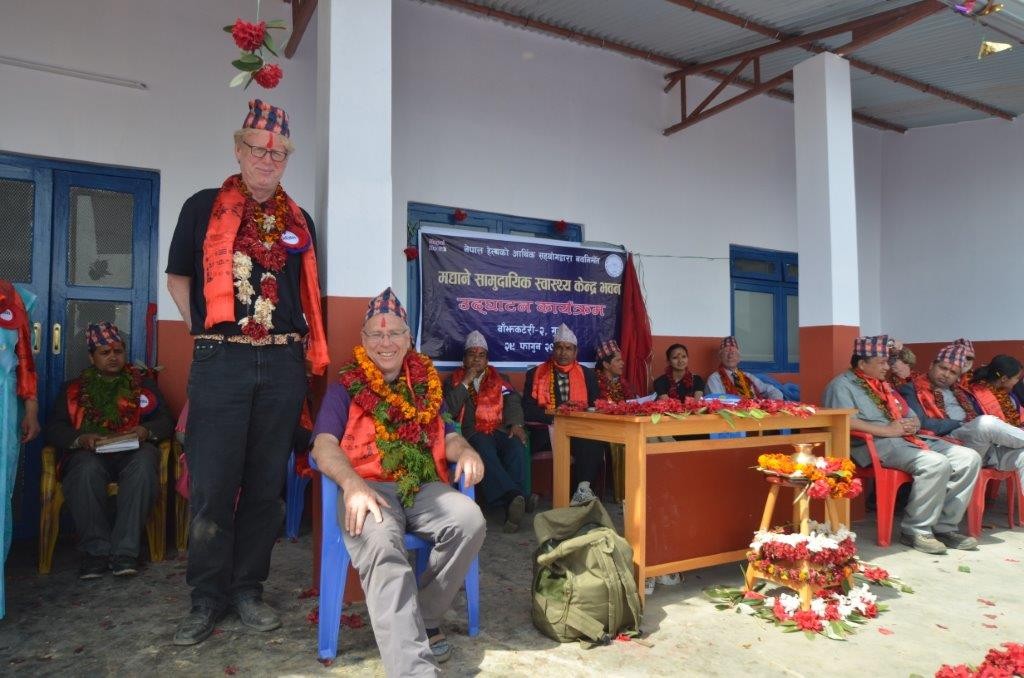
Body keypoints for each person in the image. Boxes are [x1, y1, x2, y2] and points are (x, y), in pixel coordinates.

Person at [165, 99, 329, 645]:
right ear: (239, 150)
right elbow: (179, 279)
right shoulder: (202, 206)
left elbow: (306, 296)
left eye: (278, 152)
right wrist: (206, 334)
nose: (267, 158)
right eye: (258, 148)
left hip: (283, 360)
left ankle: (248, 590)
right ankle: (205, 598)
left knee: (265, 486)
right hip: (221, 359)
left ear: (286, 160)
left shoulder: (297, 222)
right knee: (213, 485)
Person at [311, 288, 486, 676]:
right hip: (368, 489)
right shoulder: (345, 385)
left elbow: (450, 433)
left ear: (409, 339)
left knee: (469, 519)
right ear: (364, 341)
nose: (386, 343)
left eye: (394, 335)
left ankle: (420, 617)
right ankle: (414, 669)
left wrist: (467, 451)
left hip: (422, 485)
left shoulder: (425, 382)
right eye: (376, 334)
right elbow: (323, 446)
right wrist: (353, 485)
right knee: (381, 544)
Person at [823, 335, 980, 555]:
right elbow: (844, 421)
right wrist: (888, 430)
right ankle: (916, 530)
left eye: (888, 362)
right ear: (862, 363)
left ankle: (945, 527)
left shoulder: (883, 384)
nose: (887, 367)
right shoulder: (841, 385)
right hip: (876, 443)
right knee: (935, 463)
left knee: (968, 458)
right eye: (882, 363)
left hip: (906, 438)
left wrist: (913, 422)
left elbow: (909, 412)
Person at [45, 322, 173, 579]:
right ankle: (96, 553)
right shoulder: (72, 389)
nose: (113, 357)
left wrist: (145, 431)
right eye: (105, 352)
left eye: (118, 351)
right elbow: (54, 428)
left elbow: (166, 421)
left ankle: (125, 553)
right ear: (92, 357)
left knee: (146, 460)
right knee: (84, 470)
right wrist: (80, 439)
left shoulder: (143, 384)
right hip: (90, 454)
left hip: (132, 452)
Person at [443, 330, 534, 532]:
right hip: (472, 432)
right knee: (484, 449)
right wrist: (466, 382)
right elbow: (448, 409)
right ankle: (516, 498)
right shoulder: (453, 381)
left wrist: (516, 425)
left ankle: (514, 501)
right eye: (471, 354)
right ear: (464, 358)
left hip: (500, 429)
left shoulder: (500, 378)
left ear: (487, 359)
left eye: (481, 355)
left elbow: (512, 401)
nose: (476, 359)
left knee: (516, 444)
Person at [899, 347, 1024, 490]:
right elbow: (921, 423)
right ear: (931, 365)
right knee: (985, 423)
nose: (946, 374)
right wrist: (960, 424)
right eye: (943, 368)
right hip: (946, 444)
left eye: (952, 372)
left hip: (980, 447)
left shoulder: (960, 392)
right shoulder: (911, 389)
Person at [522, 324, 606, 504]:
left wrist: (578, 415)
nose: (563, 352)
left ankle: (582, 489)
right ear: (553, 350)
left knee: (594, 438)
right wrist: (557, 415)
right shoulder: (535, 374)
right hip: (545, 429)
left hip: (578, 428)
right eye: (559, 347)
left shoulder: (587, 374)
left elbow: (595, 405)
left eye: (568, 348)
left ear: (575, 352)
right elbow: (527, 409)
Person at [0, 280, 40, 618]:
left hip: (4, 407)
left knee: (0, 496)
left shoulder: (15, 298)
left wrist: (30, 409)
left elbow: (24, 360)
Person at [704, 336, 783, 399]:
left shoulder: (748, 376)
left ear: (739, 358)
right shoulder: (715, 379)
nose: (730, 355)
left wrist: (774, 403)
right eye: (726, 352)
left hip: (755, 414)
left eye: (733, 352)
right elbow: (717, 402)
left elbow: (771, 390)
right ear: (720, 357)